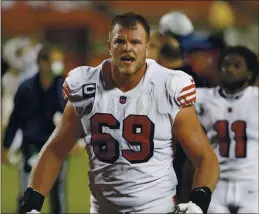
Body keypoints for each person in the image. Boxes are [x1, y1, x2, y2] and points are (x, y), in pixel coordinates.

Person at [20, 12, 219, 214]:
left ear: (147, 48)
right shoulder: (85, 87)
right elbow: (55, 150)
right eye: (120, 41)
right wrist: (31, 205)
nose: (127, 47)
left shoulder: (169, 86)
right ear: (109, 47)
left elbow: (204, 156)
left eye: (135, 41)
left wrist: (198, 203)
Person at [2, 45, 68, 214]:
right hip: (31, 148)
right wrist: (6, 146)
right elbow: (15, 119)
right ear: (42, 63)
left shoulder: (64, 87)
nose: (58, 64)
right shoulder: (26, 88)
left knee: (58, 197)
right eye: (55, 61)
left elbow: (73, 118)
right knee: (27, 197)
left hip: (56, 150)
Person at [194, 46, 258, 213]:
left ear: (250, 73)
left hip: (251, 183)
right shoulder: (202, 98)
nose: (229, 69)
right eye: (225, 65)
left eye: (237, 66)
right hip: (216, 182)